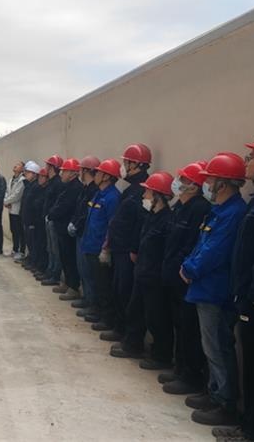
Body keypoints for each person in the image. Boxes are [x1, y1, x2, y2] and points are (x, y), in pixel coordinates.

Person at [180, 152, 247, 426]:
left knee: (218, 346)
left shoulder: (233, 213)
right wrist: (188, 264)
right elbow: (202, 244)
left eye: (210, 180)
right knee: (211, 346)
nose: (206, 185)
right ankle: (214, 391)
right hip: (205, 288)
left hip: (216, 291)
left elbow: (216, 251)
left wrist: (191, 269)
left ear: (223, 183)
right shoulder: (219, 211)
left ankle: (225, 402)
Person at [214, 133, 254, 441]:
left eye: (253, 157)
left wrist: (253, 299)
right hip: (251, 298)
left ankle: (251, 432)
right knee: (253, 367)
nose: (247, 162)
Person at [159, 161, 211, 397]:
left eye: (183, 179)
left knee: (189, 329)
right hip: (172, 275)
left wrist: (181, 269)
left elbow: (191, 244)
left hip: (184, 277)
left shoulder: (199, 209)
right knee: (179, 325)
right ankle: (180, 368)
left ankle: (190, 375)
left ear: (194, 185)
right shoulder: (180, 206)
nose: (177, 183)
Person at [102, 144, 150, 354]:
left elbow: (141, 223)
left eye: (126, 162)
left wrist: (134, 249)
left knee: (129, 295)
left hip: (128, 252)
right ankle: (121, 329)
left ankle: (133, 341)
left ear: (136, 165)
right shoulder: (130, 189)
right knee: (119, 291)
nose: (123, 166)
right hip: (119, 248)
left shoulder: (142, 190)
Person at [129, 171, 175, 370]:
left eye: (148, 192)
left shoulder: (167, 220)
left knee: (157, 318)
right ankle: (133, 344)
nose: (144, 196)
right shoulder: (151, 217)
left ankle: (161, 356)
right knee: (136, 311)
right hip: (143, 273)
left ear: (158, 196)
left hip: (155, 277)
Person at [80, 159, 121, 327]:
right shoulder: (98, 194)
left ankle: (107, 318)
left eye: (98, 172)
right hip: (90, 244)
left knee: (104, 284)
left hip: (99, 247)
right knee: (94, 281)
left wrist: (106, 248)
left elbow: (112, 225)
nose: (95, 175)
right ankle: (95, 309)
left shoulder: (113, 197)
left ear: (106, 177)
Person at [48, 158, 84, 300]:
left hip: (67, 229)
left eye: (65, 171)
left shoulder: (75, 188)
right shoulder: (67, 186)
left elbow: (65, 206)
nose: (61, 173)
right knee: (64, 257)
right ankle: (68, 283)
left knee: (69, 258)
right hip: (61, 227)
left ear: (73, 173)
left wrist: (52, 213)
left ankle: (73, 287)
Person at [69, 156, 101, 311]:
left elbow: (86, 213)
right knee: (82, 269)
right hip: (80, 232)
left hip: (86, 234)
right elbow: (79, 209)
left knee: (89, 272)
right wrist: (74, 222)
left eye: (81, 169)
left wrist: (77, 224)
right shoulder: (85, 188)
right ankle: (87, 298)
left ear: (87, 171)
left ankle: (92, 302)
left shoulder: (94, 190)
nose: (79, 172)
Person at [38, 155, 65, 286]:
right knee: (50, 248)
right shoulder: (52, 182)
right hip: (48, 219)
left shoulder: (58, 183)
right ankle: (49, 271)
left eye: (48, 165)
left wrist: (50, 215)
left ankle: (55, 275)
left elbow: (57, 203)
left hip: (53, 220)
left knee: (55, 249)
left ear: (52, 167)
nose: (46, 167)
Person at [19, 161, 40, 269]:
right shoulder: (28, 185)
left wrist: (32, 221)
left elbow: (34, 206)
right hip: (26, 218)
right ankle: (30, 259)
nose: (25, 174)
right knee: (29, 242)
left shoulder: (36, 186)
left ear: (34, 174)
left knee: (33, 243)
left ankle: (34, 262)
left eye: (28, 172)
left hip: (31, 220)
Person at [4, 161, 26, 260]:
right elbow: (7, 192)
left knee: (20, 231)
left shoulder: (22, 180)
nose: (15, 166)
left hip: (18, 209)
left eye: (18, 165)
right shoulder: (11, 179)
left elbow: (17, 195)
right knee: (13, 230)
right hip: (10, 209)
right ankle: (15, 249)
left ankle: (21, 251)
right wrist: (6, 201)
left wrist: (6, 201)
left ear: (22, 169)